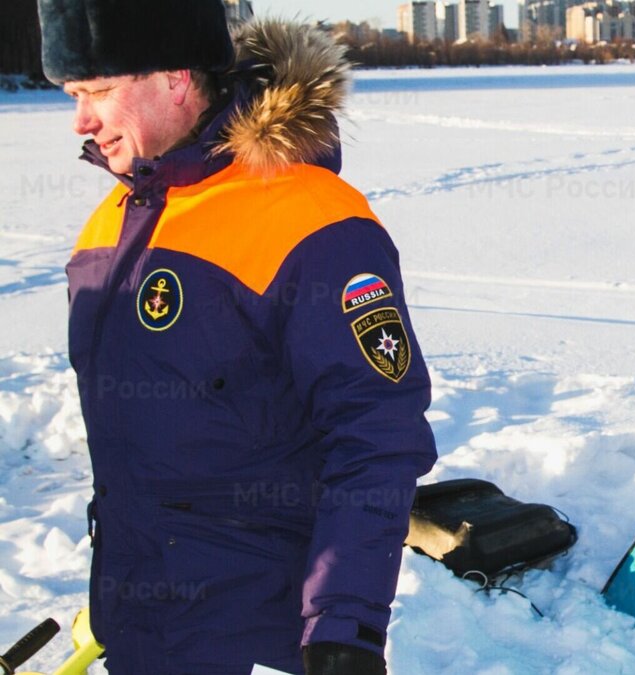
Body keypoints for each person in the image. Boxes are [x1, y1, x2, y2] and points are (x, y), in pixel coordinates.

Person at [39, 2, 438, 673]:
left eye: (98, 93)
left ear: (173, 78)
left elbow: (376, 433)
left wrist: (345, 625)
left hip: (261, 643)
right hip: (142, 632)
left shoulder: (312, 221)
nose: (81, 121)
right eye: (74, 96)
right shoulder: (109, 226)